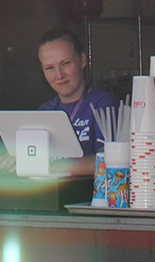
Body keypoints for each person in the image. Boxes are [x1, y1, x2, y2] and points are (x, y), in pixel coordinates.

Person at [33, 26, 120, 178]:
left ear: (82, 60)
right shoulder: (44, 112)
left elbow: (110, 161)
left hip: (91, 199)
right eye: (49, 68)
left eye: (66, 63)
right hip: (52, 197)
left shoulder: (103, 104)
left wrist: (52, 166)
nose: (59, 75)